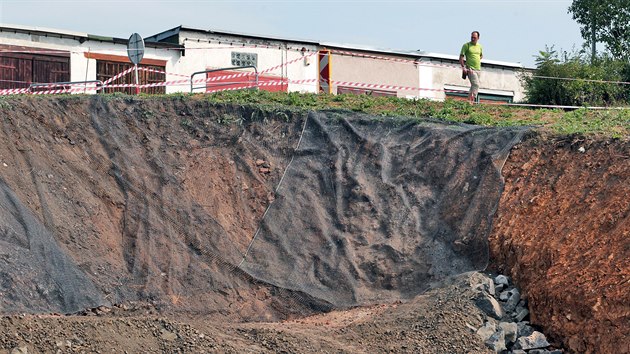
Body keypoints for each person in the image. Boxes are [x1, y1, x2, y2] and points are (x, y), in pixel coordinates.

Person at [459, 31, 483, 103]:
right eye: (472, 37)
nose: (473, 39)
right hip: (470, 69)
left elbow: (481, 55)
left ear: (478, 38)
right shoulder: (466, 45)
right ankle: (473, 100)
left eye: (474, 37)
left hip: (478, 69)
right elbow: (461, 57)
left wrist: (476, 60)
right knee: (476, 85)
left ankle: (468, 102)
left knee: (473, 86)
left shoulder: (480, 46)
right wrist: (464, 67)